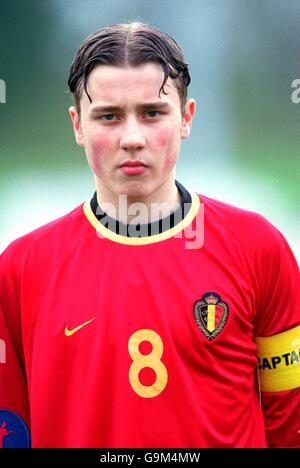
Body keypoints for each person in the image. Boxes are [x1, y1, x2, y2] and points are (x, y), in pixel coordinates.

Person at [0, 22, 299, 449]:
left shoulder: (259, 247)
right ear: (77, 125)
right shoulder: (21, 267)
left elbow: (291, 421)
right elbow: (10, 430)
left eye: (152, 113)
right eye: (108, 116)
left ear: (187, 118)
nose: (132, 138)